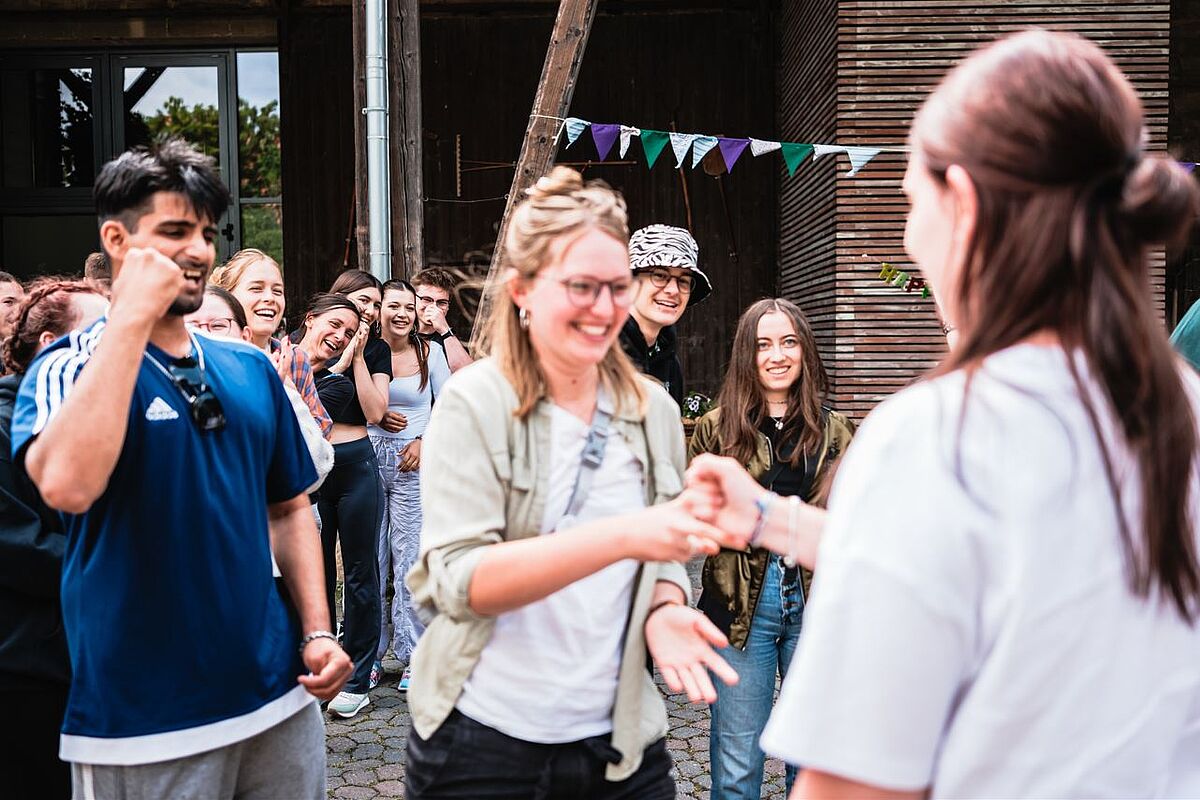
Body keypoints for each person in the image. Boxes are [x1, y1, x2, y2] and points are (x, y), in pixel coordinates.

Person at [694, 30, 1200, 799]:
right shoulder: (1181, 410)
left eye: (909, 199)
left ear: (960, 201)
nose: (908, 234)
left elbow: (851, 786)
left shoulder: (940, 436)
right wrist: (774, 519)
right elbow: (1002, 574)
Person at [13, 139, 353, 798]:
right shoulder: (69, 366)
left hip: (278, 697)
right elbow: (67, 487)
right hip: (146, 719)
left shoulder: (251, 366)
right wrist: (130, 321)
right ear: (117, 239)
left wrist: (316, 630)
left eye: (204, 232)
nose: (198, 250)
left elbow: (287, 508)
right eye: (175, 231)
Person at [404, 167, 740, 799]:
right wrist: (624, 536)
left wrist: (666, 609)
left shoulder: (654, 410)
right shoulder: (475, 402)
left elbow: (663, 550)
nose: (605, 307)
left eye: (617, 287)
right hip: (483, 740)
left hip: (620, 745)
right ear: (523, 289)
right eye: (581, 286)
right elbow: (460, 582)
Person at [687, 298, 854, 800]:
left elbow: (849, 524)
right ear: (747, 355)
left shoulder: (836, 429)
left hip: (816, 605)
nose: (777, 355)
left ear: (803, 350)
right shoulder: (716, 429)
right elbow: (698, 515)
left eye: (788, 341)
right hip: (738, 610)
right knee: (738, 762)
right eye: (763, 344)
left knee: (813, 758)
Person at [0, 278, 108, 800]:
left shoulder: (102, 424)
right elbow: (15, 544)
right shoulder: (4, 422)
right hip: (28, 667)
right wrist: (122, 562)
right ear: (50, 347)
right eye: (100, 336)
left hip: (98, 658)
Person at [294, 276, 387, 718]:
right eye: (360, 301)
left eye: (374, 304)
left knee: (359, 572)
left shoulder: (372, 349)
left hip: (354, 467)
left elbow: (374, 411)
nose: (368, 311)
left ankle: (359, 673)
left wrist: (356, 350)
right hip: (312, 474)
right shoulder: (294, 350)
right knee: (315, 574)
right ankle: (324, 662)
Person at [368, 279, 451, 693]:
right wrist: (378, 415)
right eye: (392, 306)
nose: (401, 313)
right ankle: (370, 654)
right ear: (379, 310)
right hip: (368, 457)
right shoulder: (367, 351)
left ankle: (415, 655)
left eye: (408, 306)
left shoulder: (429, 352)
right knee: (372, 560)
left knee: (410, 560)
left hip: (412, 465)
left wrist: (422, 439)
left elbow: (449, 404)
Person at [212, 248, 332, 438]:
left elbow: (323, 431)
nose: (269, 298)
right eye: (256, 288)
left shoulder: (295, 358)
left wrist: (290, 393)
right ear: (228, 296)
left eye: (277, 291)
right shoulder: (209, 354)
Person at [617, 225, 711, 408]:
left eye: (683, 281)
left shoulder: (670, 363)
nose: (673, 290)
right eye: (660, 275)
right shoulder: (601, 350)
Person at [412, 267, 474, 372]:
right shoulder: (402, 333)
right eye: (427, 300)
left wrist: (444, 330)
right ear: (413, 299)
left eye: (441, 302)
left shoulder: (451, 340)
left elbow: (467, 374)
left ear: (448, 307)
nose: (434, 307)